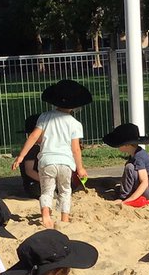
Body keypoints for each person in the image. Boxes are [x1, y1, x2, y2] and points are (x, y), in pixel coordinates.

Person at [12, 79, 91, 228]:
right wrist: (80, 168)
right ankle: (64, 218)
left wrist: (21, 156)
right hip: (65, 162)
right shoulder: (75, 124)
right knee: (65, 191)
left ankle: (46, 215)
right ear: (75, 105)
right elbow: (75, 149)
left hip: (47, 160)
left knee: (46, 190)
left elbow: (34, 136)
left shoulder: (44, 117)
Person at [103, 123, 149, 204]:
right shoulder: (137, 153)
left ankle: (124, 196)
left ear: (126, 144)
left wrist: (130, 199)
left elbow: (144, 182)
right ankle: (127, 192)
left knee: (129, 167)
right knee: (130, 166)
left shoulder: (138, 157)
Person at [18, 114, 43, 198]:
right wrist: (45, 181)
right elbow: (29, 171)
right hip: (34, 185)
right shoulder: (32, 149)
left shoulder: (38, 147)